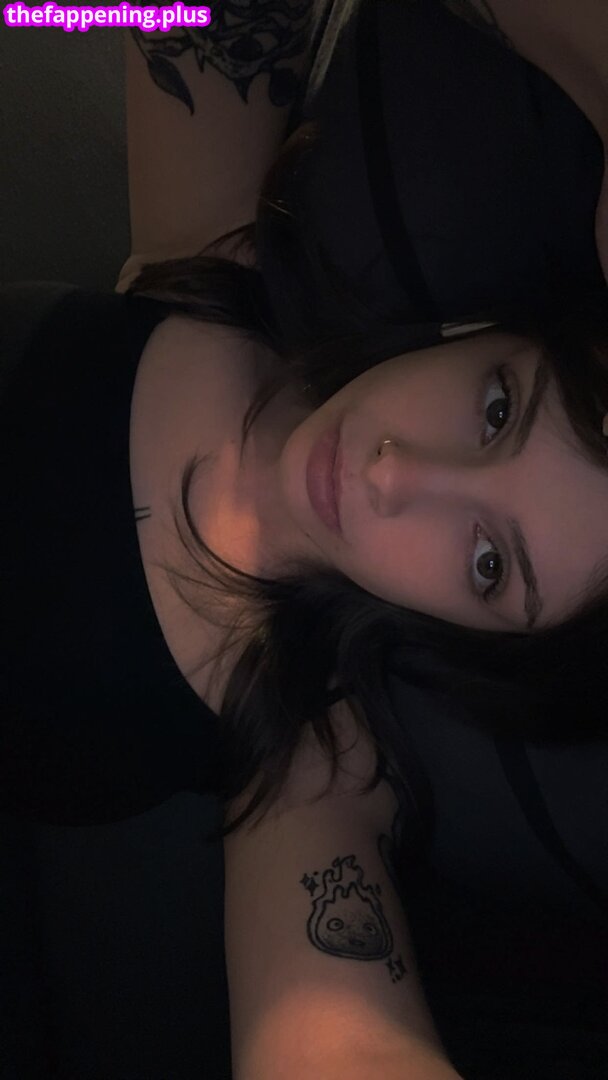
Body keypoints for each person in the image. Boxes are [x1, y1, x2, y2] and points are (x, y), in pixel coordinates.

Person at [2, 3, 608, 1078]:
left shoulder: (314, 755)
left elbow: (336, 1046)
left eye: (487, 564)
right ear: (482, 334)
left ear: (482, 645)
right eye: (496, 409)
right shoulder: (220, 269)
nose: (394, 475)